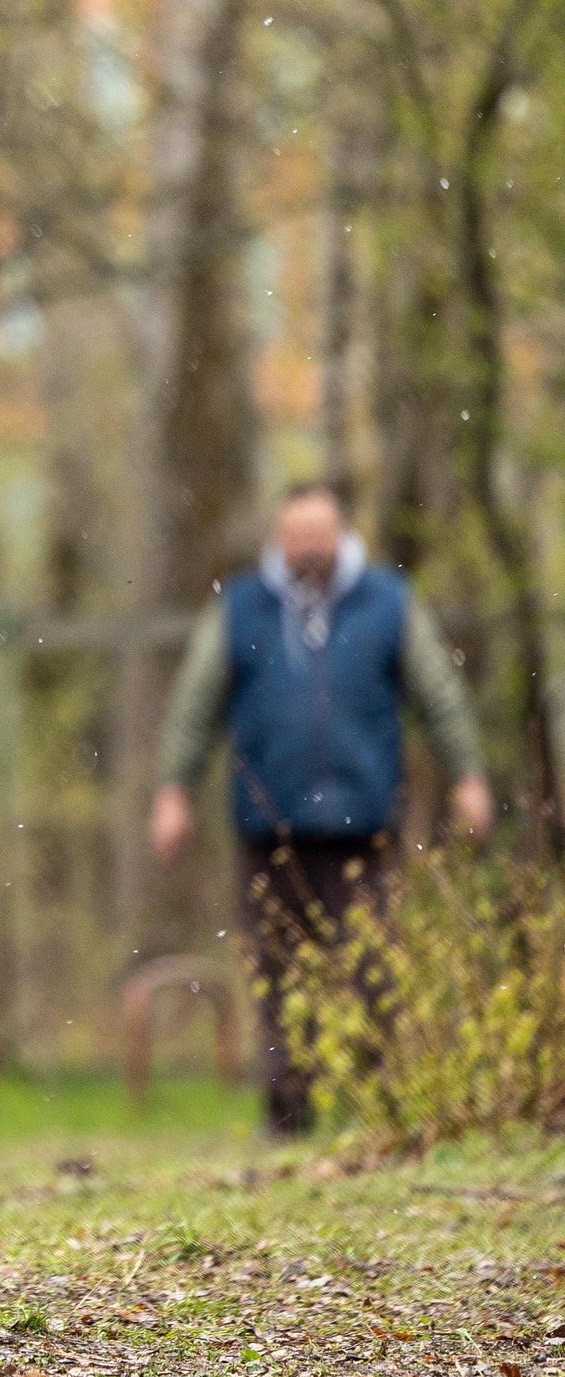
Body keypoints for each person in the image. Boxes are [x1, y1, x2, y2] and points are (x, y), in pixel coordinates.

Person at [150, 481, 489, 1132]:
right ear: (279, 539)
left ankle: (380, 1110)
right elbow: (195, 705)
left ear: (342, 534)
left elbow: (439, 695)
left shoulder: (388, 601)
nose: (308, 548)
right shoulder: (241, 608)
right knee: (277, 974)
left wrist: (467, 775)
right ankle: (287, 1111)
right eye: (296, 536)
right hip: (268, 825)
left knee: (374, 972)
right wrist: (174, 790)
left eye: (319, 535)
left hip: (365, 823)